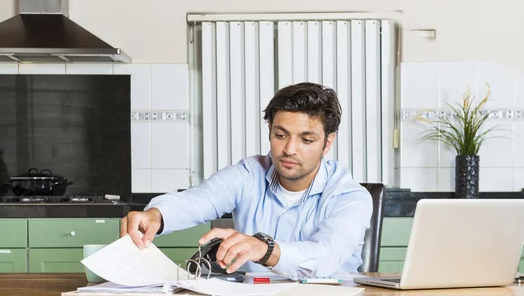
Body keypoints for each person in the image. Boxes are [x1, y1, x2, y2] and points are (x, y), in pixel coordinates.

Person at [120, 82, 373, 280]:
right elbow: (200, 199)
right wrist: (156, 216)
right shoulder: (249, 174)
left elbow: (326, 257)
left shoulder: (350, 196)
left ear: (327, 143)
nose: (289, 149)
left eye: (306, 140)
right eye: (280, 135)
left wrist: (265, 249)